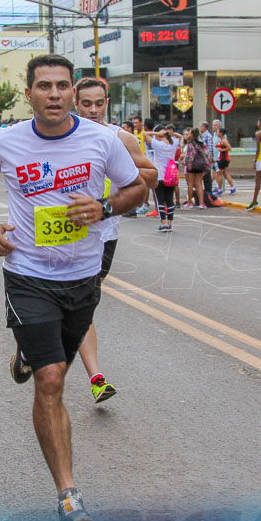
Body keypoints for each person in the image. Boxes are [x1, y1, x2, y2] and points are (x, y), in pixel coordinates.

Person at [0, 55, 143, 521]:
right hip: (27, 273)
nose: (55, 94)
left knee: (52, 366)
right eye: (44, 86)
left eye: (62, 86)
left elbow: (137, 189)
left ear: (73, 92)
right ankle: (68, 494)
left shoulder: (103, 139)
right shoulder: (5, 141)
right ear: (30, 94)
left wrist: (104, 206)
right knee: (52, 379)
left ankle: (28, 354)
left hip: (83, 279)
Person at [72, 77, 157, 404]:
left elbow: (151, 175)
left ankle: (93, 376)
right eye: (86, 104)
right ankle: (94, 374)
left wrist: (118, 167)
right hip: (60, 230)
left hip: (103, 233)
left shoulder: (119, 137)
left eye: (99, 103)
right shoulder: (58, 134)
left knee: (82, 304)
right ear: (75, 103)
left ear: (107, 102)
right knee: (68, 300)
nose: (93, 110)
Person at [146, 125, 180, 230]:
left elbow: (145, 134)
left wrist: (157, 134)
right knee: (170, 199)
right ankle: (170, 223)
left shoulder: (158, 144)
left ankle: (163, 222)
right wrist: (170, 134)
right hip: (171, 175)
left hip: (160, 176)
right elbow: (180, 136)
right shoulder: (173, 143)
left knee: (160, 199)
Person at [182, 127, 208, 208]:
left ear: (192, 134)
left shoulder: (190, 144)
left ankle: (190, 202)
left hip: (192, 166)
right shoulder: (202, 143)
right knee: (199, 184)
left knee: (190, 184)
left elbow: (190, 155)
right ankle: (201, 203)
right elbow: (206, 154)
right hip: (200, 165)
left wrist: (187, 164)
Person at [216, 127, 236, 194]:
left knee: (219, 174)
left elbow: (229, 147)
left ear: (221, 133)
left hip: (223, 159)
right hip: (224, 159)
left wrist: (222, 150)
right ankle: (233, 187)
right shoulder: (221, 140)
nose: (217, 133)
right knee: (225, 174)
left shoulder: (224, 140)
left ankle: (219, 189)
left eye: (218, 132)